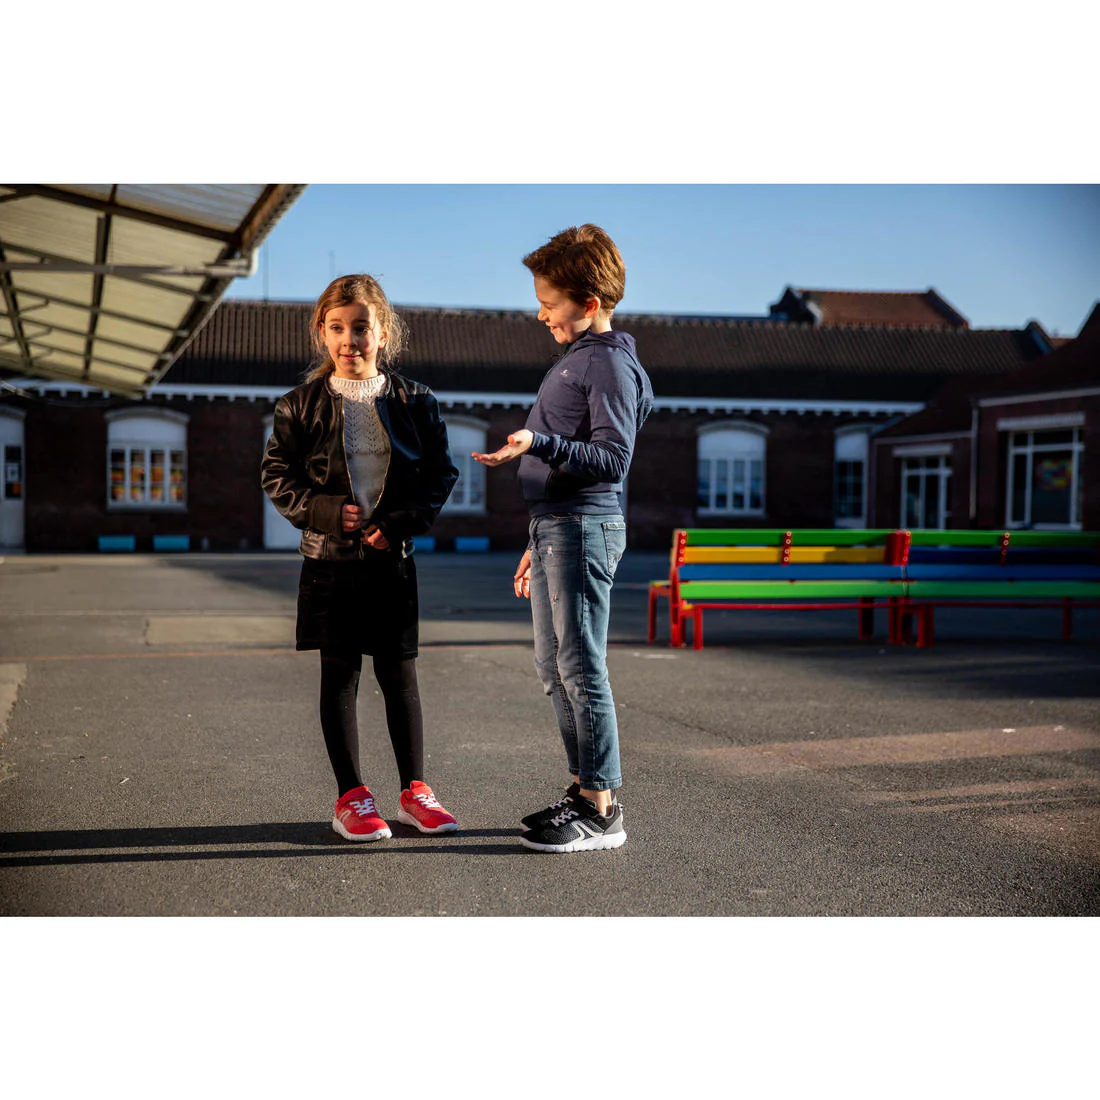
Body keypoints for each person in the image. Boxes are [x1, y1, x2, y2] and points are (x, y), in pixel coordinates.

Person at [473, 225, 653, 853]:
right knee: (555, 668)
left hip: (583, 527)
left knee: (581, 668)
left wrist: (537, 441)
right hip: (559, 528)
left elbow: (612, 458)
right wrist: (536, 535)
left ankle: (603, 810)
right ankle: (582, 792)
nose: (540, 312)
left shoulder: (607, 362)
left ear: (591, 302)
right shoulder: (578, 360)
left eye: (550, 302)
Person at [262, 274, 461, 842]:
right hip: (328, 561)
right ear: (321, 333)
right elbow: (277, 476)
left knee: (400, 675)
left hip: (392, 560)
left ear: (383, 332)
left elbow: (439, 474)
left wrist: (396, 524)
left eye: (361, 327)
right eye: (337, 327)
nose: (350, 339)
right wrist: (325, 512)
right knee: (341, 674)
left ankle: (415, 793)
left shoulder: (415, 400)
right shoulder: (297, 406)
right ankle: (352, 798)